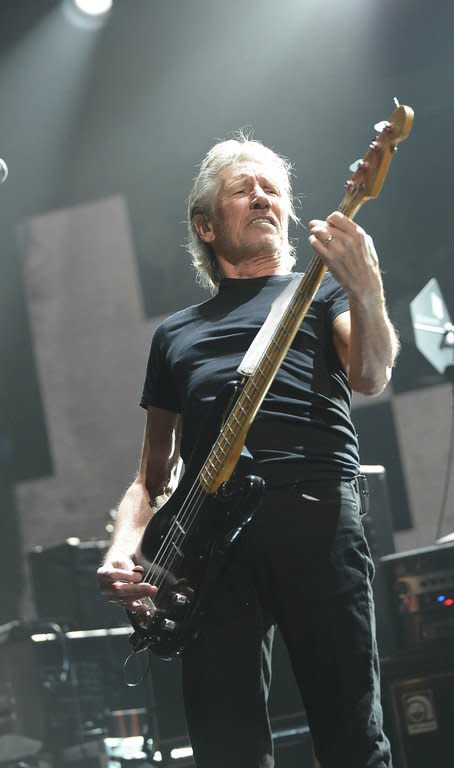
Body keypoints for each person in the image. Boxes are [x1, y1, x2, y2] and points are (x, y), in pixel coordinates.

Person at [97, 134, 398, 768]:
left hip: (314, 517)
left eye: (273, 189)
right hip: (206, 549)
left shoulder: (322, 294)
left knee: (350, 731)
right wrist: (124, 546)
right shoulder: (176, 334)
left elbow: (371, 375)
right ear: (206, 225)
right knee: (225, 746)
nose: (262, 195)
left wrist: (366, 287)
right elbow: (149, 478)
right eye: (243, 188)